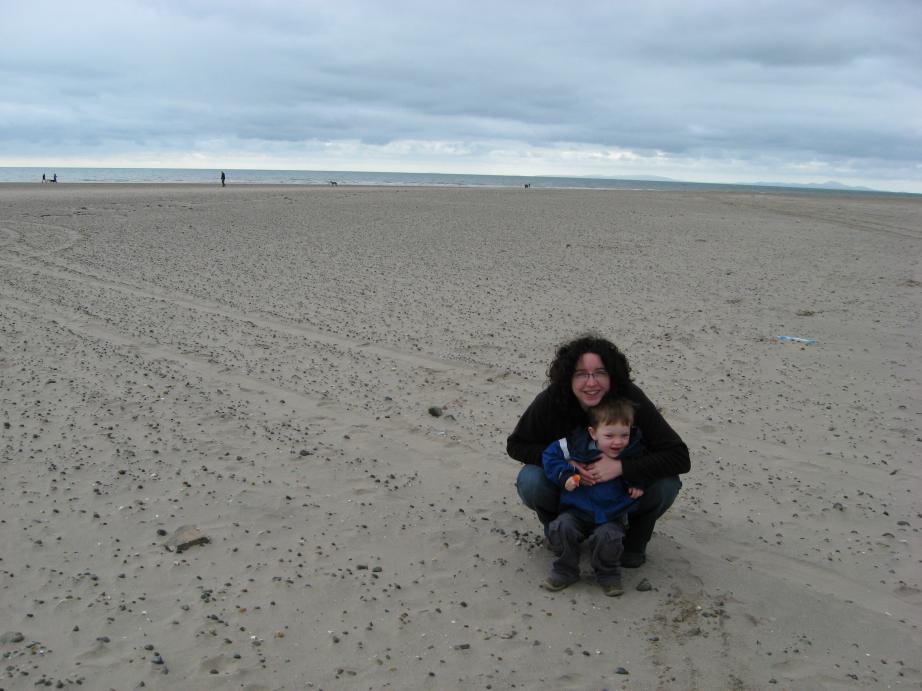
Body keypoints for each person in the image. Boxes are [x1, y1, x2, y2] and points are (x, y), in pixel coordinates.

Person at [507, 333, 689, 568]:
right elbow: (517, 444)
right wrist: (566, 464)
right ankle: (559, 532)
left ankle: (633, 541)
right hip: (571, 491)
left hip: (621, 495)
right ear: (568, 378)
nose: (591, 383)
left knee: (667, 483)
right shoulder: (553, 399)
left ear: (612, 375)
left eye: (600, 373)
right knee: (531, 479)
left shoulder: (629, 399)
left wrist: (622, 467)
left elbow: (679, 456)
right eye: (581, 374)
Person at [542, 397, 646, 595]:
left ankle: (608, 575)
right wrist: (566, 474)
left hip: (610, 514)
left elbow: (645, 466)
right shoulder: (574, 445)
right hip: (575, 509)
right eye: (609, 435)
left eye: (624, 435)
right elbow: (549, 456)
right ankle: (565, 570)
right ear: (593, 432)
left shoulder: (633, 450)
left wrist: (636, 482)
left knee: (609, 537)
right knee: (561, 527)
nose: (618, 442)